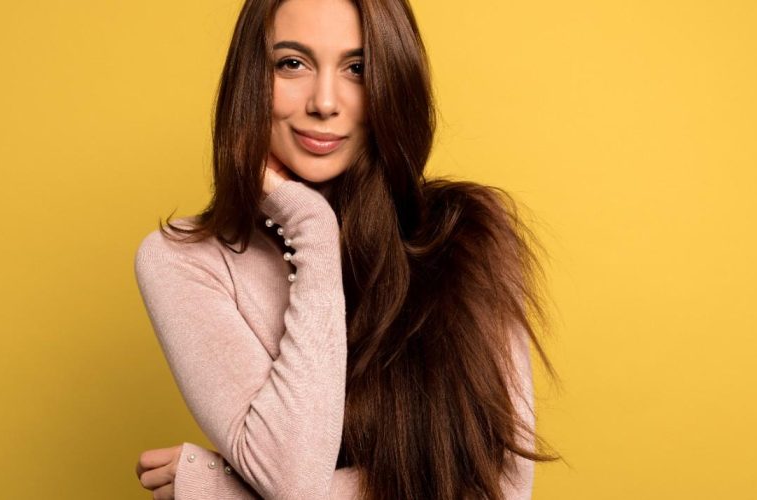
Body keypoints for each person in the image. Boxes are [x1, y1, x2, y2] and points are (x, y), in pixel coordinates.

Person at [133, 0, 561, 498]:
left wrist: (223, 490)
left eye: (358, 68)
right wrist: (311, 227)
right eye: (292, 63)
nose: (325, 102)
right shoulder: (184, 261)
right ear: (250, 79)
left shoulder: (465, 236)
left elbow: (500, 487)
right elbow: (292, 480)